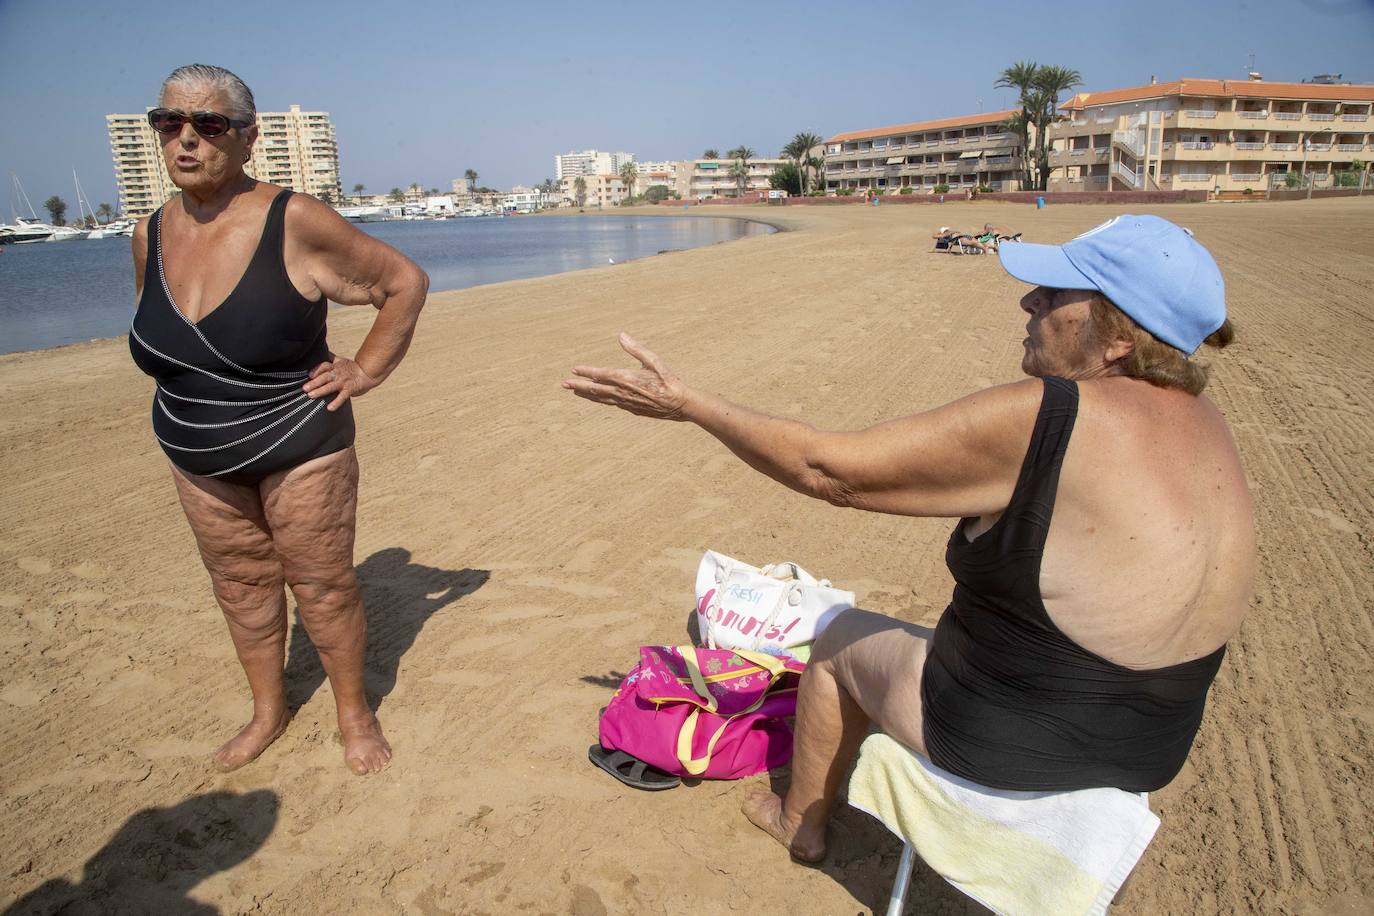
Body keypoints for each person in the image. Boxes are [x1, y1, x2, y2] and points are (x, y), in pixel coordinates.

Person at [564, 214, 1254, 861]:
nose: (1030, 304)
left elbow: (828, 470)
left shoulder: (1053, 416)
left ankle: (797, 824)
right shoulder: (1212, 428)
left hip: (1013, 744)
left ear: (1118, 338)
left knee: (835, 636)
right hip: (1149, 753)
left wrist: (688, 405)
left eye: (1054, 294)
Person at [128, 64, 429, 774]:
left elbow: (403, 282)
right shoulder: (147, 234)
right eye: (169, 123)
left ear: (248, 138)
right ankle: (268, 711)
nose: (187, 140)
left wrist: (365, 368)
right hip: (194, 448)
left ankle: (354, 714)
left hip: (299, 441)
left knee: (321, 585)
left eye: (209, 125)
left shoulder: (293, 219)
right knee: (238, 585)